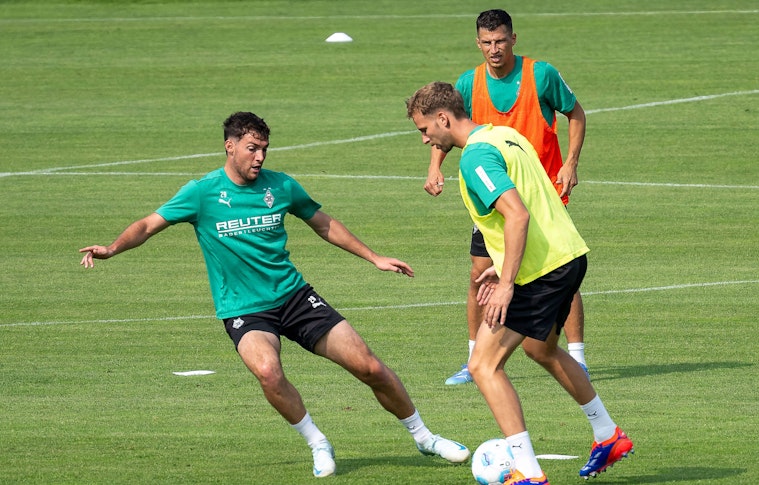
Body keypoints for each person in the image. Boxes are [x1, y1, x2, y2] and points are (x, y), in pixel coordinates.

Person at [79, 112, 470, 478]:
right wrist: (113, 248)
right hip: (245, 309)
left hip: (294, 297)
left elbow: (324, 224)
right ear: (229, 146)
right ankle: (318, 443)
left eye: (264, 148)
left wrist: (374, 257)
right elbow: (149, 225)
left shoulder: (281, 185)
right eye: (252, 148)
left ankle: (424, 437)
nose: (260, 156)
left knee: (368, 366)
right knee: (267, 372)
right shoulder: (202, 193)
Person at [407, 82, 632, 483]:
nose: (426, 139)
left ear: (443, 118)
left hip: (540, 272)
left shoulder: (475, 158)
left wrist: (507, 281)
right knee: (541, 348)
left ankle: (529, 474)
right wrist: (502, 263)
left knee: (483, 365)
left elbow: (517, 214)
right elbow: (534, 198)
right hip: (569, 256)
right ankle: (607, 434)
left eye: (425, 130)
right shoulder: (503, 134)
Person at [424, 9, 591, 386]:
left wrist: (571, 164)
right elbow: (445, 125)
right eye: (486, 42)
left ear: (514, 38)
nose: (494, 49)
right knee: (477, 273)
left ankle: (577, 357)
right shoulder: (468, 82)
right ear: (478, 43)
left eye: (500, 41)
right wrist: (435, 167)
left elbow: (575, 113)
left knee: (556, 266)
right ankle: (473, 360)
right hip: (493, 192)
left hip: (542, 189)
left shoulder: (541, 74)